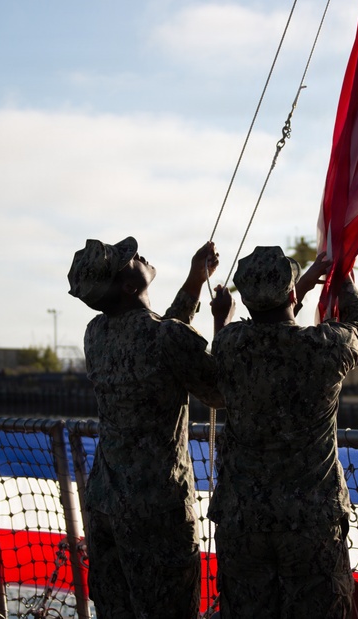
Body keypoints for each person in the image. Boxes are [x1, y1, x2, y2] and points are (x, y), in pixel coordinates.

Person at [67, 236, 234, 618]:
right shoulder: (165, 337)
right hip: (156, 512)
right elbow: (222, 390)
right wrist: (222, 322)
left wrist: (195, 281)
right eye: (129, 259)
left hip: (105, 502)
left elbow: (163, 333)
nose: (138, 255)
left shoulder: (96, 333)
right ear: (129, 285)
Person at [209, 245, 358, 619]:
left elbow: (258, 328)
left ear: (247, 303)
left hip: (243, 520)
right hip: (310, 522)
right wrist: (342, 281)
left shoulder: (231, 344)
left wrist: (223, 318)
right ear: (291, 295)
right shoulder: (325, 346)